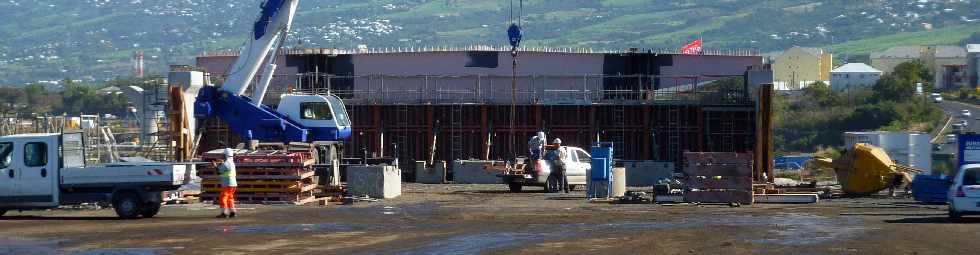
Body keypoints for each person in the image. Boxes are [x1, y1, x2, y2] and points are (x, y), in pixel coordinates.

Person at [216, 148, 238, 218]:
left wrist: (216, 166)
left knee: (223, 197)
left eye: (223, 155)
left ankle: (224, 212)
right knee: (230, 198)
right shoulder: (231, 162)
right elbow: (225, 169)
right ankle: (232, 211)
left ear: (226, 155)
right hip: (233, 184)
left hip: (227, 183)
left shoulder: (226, 163)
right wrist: (221, 164)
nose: (222, 156)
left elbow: (219, 171)